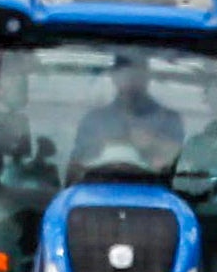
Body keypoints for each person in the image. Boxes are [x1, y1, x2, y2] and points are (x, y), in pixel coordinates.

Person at [67, 54, 192, 183]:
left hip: (154, 194)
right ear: (114, 76)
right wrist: (101, 146)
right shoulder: (93, 121)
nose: (131, 80)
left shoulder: (169, 120)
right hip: (97, 192)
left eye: (137, 74)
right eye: (125, 74)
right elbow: (75, 168)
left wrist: (152, 144)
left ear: (147, 76)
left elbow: (180, 165)